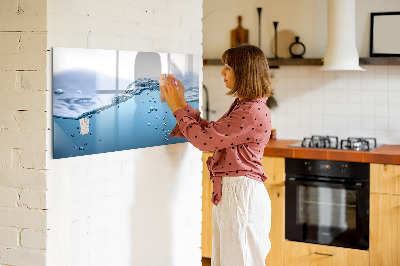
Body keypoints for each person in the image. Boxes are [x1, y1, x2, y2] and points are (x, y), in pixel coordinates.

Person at [161, 44, 273, 266]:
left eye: (228, 67)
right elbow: (212, 133)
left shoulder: (250, 111)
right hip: (236, 193)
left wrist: (176, 108)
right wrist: (182, 103)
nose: (222, 72)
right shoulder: (246, 106)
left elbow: (204, 141)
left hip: (241, 195)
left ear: (244, 72)